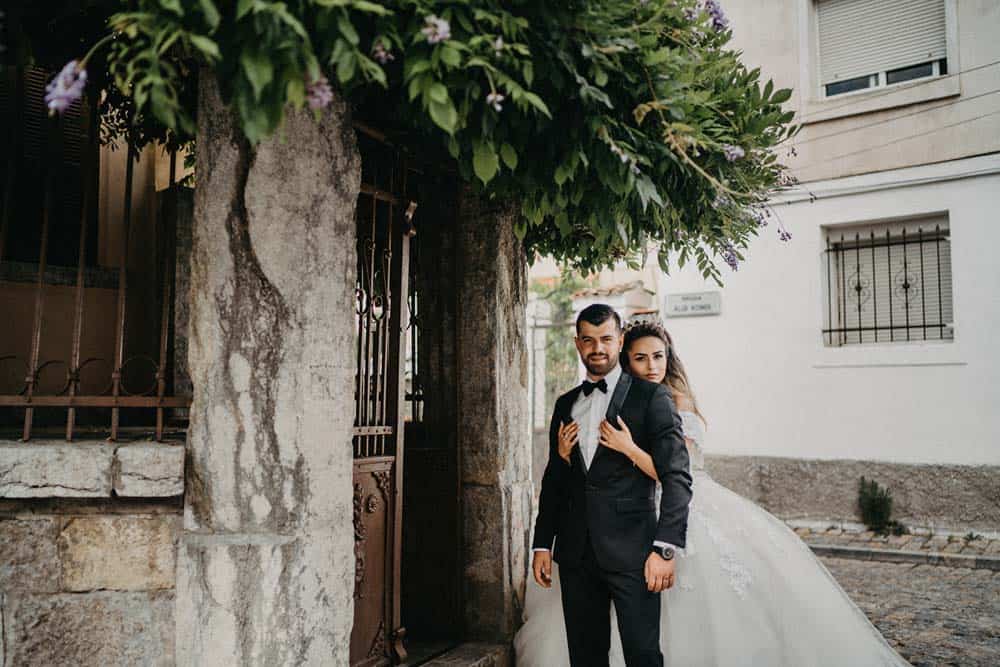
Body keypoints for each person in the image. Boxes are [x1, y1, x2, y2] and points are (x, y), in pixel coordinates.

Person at [516, 318, 910, 666]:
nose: (650, 366)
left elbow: (676, 474)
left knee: (676, 625)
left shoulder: (669, 401)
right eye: (641, 358)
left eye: (657, 357)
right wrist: (564, 468)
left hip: (671, 515)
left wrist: (631, 452)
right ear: (624, 358)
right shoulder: (586, 402)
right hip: (606, 530)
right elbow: (573, 476)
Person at [527, 304, 692, 667]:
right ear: (577, 344)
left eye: (605, 339)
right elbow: (555, 479)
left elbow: (678, 477)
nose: (597, 348)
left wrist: (665, 548)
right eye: (588, 340)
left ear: (619, 341)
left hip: (635, 553)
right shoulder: (565, 404)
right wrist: (542, 543)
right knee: (585, 657)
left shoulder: (652, 398)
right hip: (576, 555)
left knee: (642, 655)